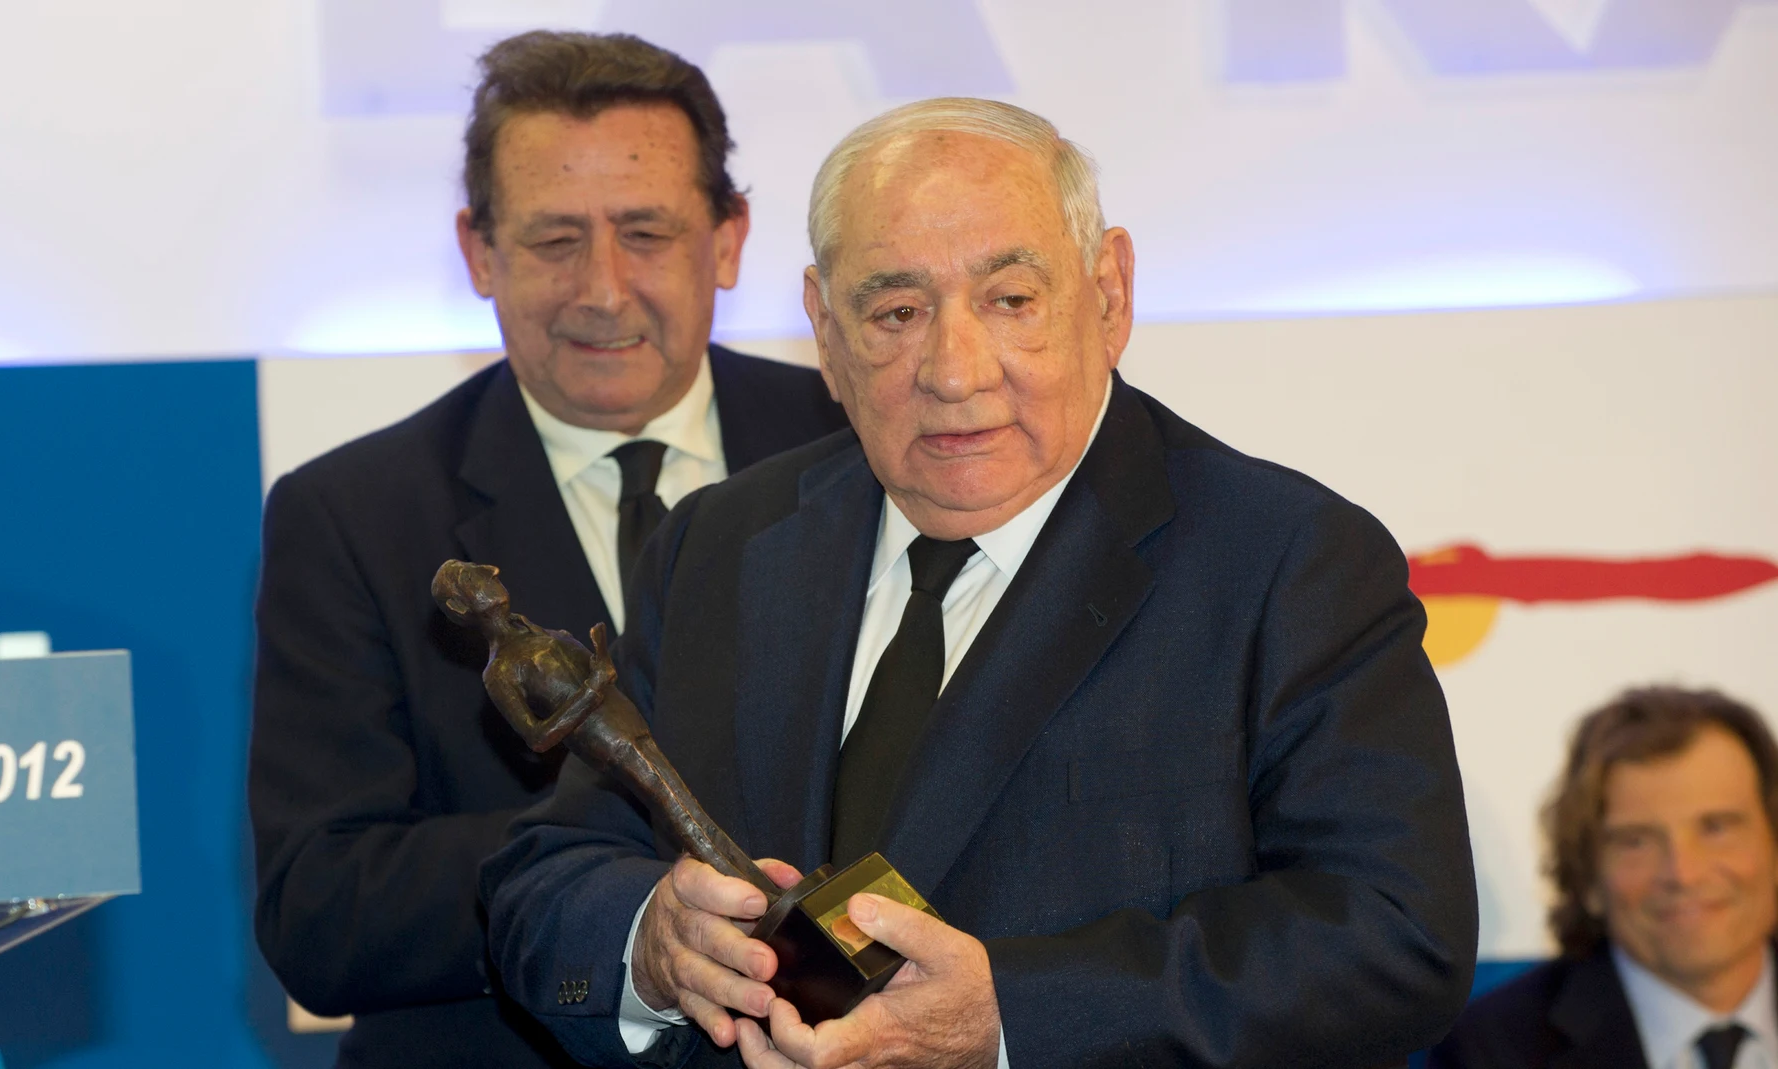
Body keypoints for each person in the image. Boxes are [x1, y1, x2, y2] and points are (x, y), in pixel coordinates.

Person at [479, 97, 1476, 1068]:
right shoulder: (722, 546)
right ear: (824, 329)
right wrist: (652, 944)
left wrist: (1011, 1019)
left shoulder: (1285, 562)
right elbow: (549, 879)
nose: (953, 371)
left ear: (1109, 294)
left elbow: (1392, 935)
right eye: (897, 312)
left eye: (1010, 300)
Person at [249, 31, 847, 1069]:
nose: (602, 290)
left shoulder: (860, 453)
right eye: (555, 239)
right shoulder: (351, 515)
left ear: (728, 239)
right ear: (479, 252)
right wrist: (612, 879)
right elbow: (322, 910)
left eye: (646, 233)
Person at [1430, 687, 1778, 1069]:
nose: (1683, 873)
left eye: (1715, 828)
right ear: (1588, 876)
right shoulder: (1490, 1050)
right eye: (1636, 841)